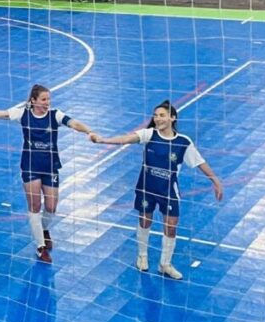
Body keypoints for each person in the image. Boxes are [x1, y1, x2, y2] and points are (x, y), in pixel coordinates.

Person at [0, 85, 96, 263]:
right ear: (33, 100)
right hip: (30, 166)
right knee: (34, 205)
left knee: (51, 207)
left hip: (50, 167)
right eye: (43, 99)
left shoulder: (54, 114)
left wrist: (89, 131)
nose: (47, 103)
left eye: (48, 99)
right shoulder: (22, 114)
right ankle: (40, 247)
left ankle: (43, 228)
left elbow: (74, 123)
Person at [90, 101, 223, 279]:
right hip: (146, 188)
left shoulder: (183, 142)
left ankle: (165, 264)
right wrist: (103, 140)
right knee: (145, 221)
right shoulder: (149, 134)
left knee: (171, 227)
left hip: (168, 191)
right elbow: (125, 139)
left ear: (172, 118)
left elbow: (199, 162)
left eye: (161, 115)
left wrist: (215, 181)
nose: (157, 118)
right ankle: (142, 256)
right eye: (155, 115)